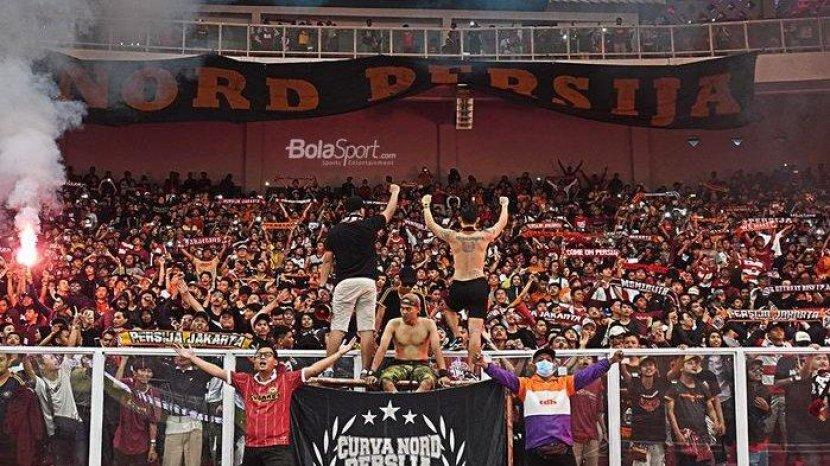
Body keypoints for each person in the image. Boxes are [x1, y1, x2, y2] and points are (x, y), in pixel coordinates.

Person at [173, 338, 356, 466]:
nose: (262, 357)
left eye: (267, 355)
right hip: (252, 447)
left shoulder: (287, 380)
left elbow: (314, 369)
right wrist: (193, 358)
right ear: (254, 362)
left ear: (275, 362)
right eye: (259, 355)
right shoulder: (245, 381)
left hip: (278, 448)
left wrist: (339, 353)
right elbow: (217, 371)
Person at [476, 348, 623, 466]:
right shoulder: (525, 385)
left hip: (563, 450)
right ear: (533, 365)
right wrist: (486, 366)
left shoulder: (566, 383)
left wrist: (610, 361)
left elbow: (590, 373)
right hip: (535, 452)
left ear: (554, 365)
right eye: (540, 360)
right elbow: (504, 376)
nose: (545, 362)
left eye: (548, 359)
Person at [320, 184, 400, 370]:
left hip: (344, 282)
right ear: (362, 210)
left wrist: (322, 284)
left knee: (338, 327)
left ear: (345, 210)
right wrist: (395, 192)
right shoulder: (368, 225)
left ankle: (327, 369)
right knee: (366, 328)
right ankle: (366, 371)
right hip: (367, 282)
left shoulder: (335, 231)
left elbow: (327, 260)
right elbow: (389, 212)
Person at [422, 194, 509, 362]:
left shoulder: (453, 236)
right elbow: (502, 223)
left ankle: (457, 336)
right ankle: (472, 371)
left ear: (460, 219)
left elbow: (431, 225)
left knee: (446, 308)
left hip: (459, 283)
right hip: (478, 285)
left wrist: (426, 205)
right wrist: (504, 205)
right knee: (475, 332)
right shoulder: (485, 235)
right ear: (477, 220)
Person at [365, 293, 451, 392]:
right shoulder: (393, 323)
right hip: (399, 364)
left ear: (418, 309)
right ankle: (399, 401)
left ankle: (412, 401)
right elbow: (382, 349)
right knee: (385, 380)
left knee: (428, 381)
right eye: (402, 308)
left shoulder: (428, 324)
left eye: (408, 309)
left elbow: (436, 349)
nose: (404, 312)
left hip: (422, 365)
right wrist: (373, 372)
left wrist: (443, 373)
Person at [666, 355, 719, 466]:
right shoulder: (674, 386)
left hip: (703, 436)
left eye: (696, 363)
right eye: (690, 363)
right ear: (681, 367)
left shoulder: (703, 387)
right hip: (684, 436)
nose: (694, 365)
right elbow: (670, 412)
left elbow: (710, 409)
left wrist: (716, 421)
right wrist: (677, 433)